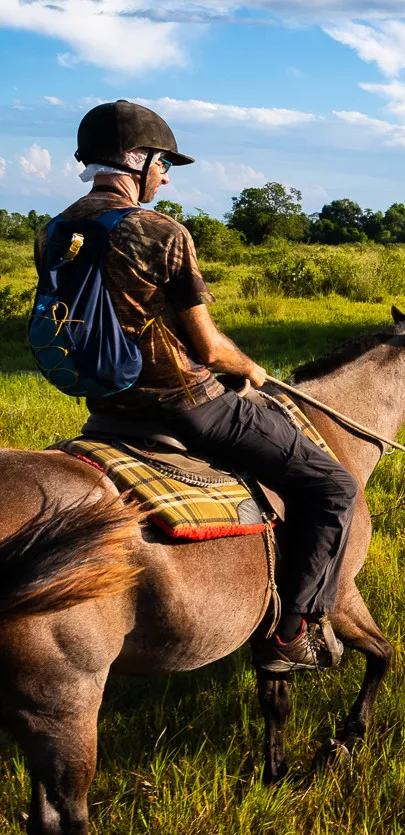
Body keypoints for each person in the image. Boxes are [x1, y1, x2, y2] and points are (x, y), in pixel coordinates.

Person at [49, 100, 357, 673]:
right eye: (163, 163)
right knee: (334, 487)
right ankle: (291, 636)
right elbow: (208, 348)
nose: (165, 177)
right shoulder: (160, 232)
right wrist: (248, 368)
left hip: (107, 411)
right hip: (186, 409)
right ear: (136, 160)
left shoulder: (58, 230)